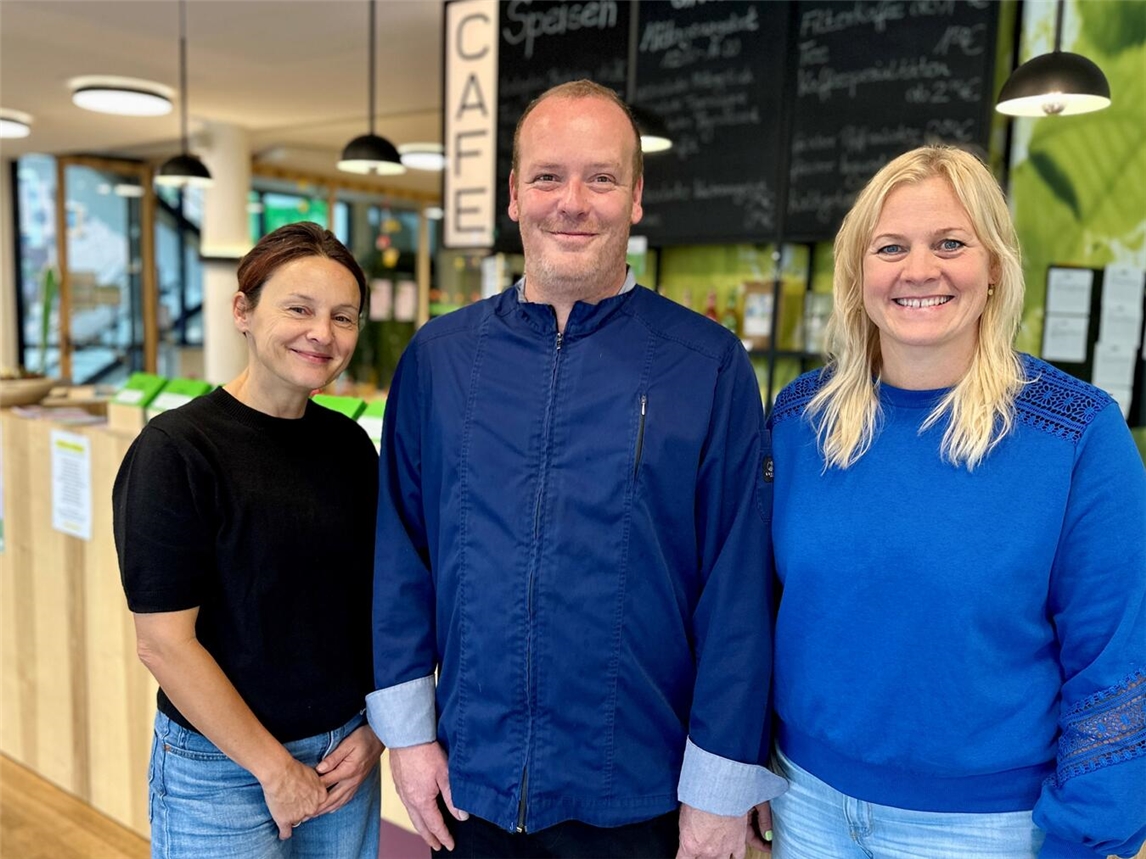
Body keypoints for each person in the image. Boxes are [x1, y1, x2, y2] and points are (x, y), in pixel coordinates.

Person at [368, 79, 785, 859]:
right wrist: (409, 738)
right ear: (513, 195)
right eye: (548, 176)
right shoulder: (439, 359)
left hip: (640, 797)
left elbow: (737, 591)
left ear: (636, 198)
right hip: (471, 785)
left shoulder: (707, 364)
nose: (572, 202)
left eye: (601, 178)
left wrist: (720, 787)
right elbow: (402, 558)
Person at [763, 145, 1146, 859]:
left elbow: (1117, 660)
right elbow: (756, 609)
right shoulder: (797, 420)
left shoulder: (1078, 435)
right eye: (890, 247)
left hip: (986, 827)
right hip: (805, 802)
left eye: (950, 243)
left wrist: (1086, 838)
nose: (919, 270)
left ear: (994, 265)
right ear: (857, 272)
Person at [113, 222, 383, 859]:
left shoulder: (349, 447)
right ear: (243, 310)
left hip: (344, 757)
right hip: (222, 769)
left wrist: (376, 729)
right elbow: (163, 643)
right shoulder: (177, 450)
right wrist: (275, 769)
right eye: (299, 309)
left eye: (343, 317)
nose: (322, 334)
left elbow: (377, 602)